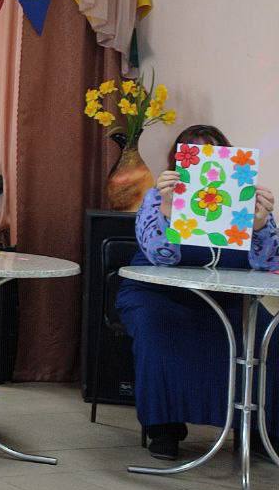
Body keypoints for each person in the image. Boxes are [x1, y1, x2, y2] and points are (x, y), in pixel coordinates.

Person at [116, 124, 279, 460]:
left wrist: (261, 224)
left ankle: (259, 429)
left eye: (213, 151)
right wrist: (168, 208)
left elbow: (269, 263)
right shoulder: (157, 198)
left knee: (269, 335)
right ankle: (164, 428)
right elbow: (160, 255)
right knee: (156, 329)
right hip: (158, 293)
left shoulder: (246, 201)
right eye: (194, 152)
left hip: (228, 297)